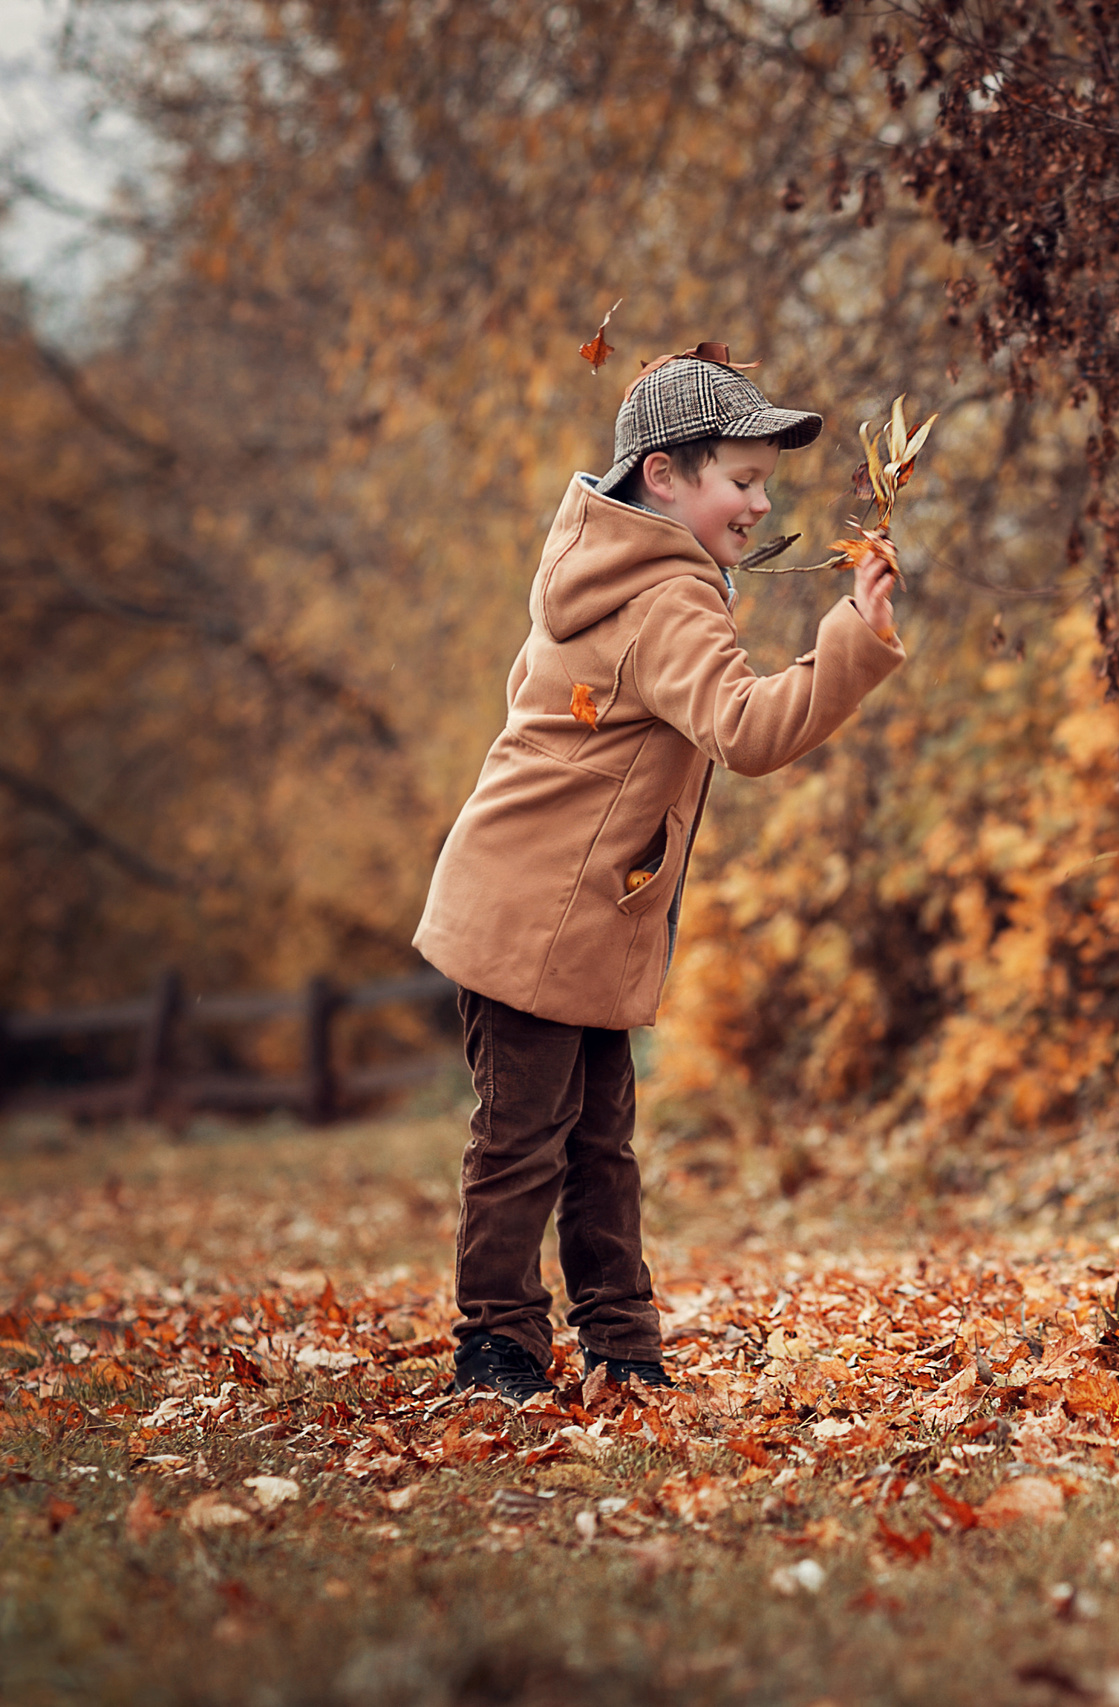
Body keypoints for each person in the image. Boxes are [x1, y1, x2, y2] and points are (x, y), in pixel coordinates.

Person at [412, 344, 905, 1404]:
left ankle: (623, 1349)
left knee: (594, 1143)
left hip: (567, 911)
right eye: (744, 479)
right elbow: (745, 727)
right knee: (526, 1145)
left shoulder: (600, 571)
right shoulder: (664, 596)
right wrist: (852, 643)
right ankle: (497, 1351)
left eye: (765, 482)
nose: (761, 503)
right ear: (663, 475)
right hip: (537, 913)